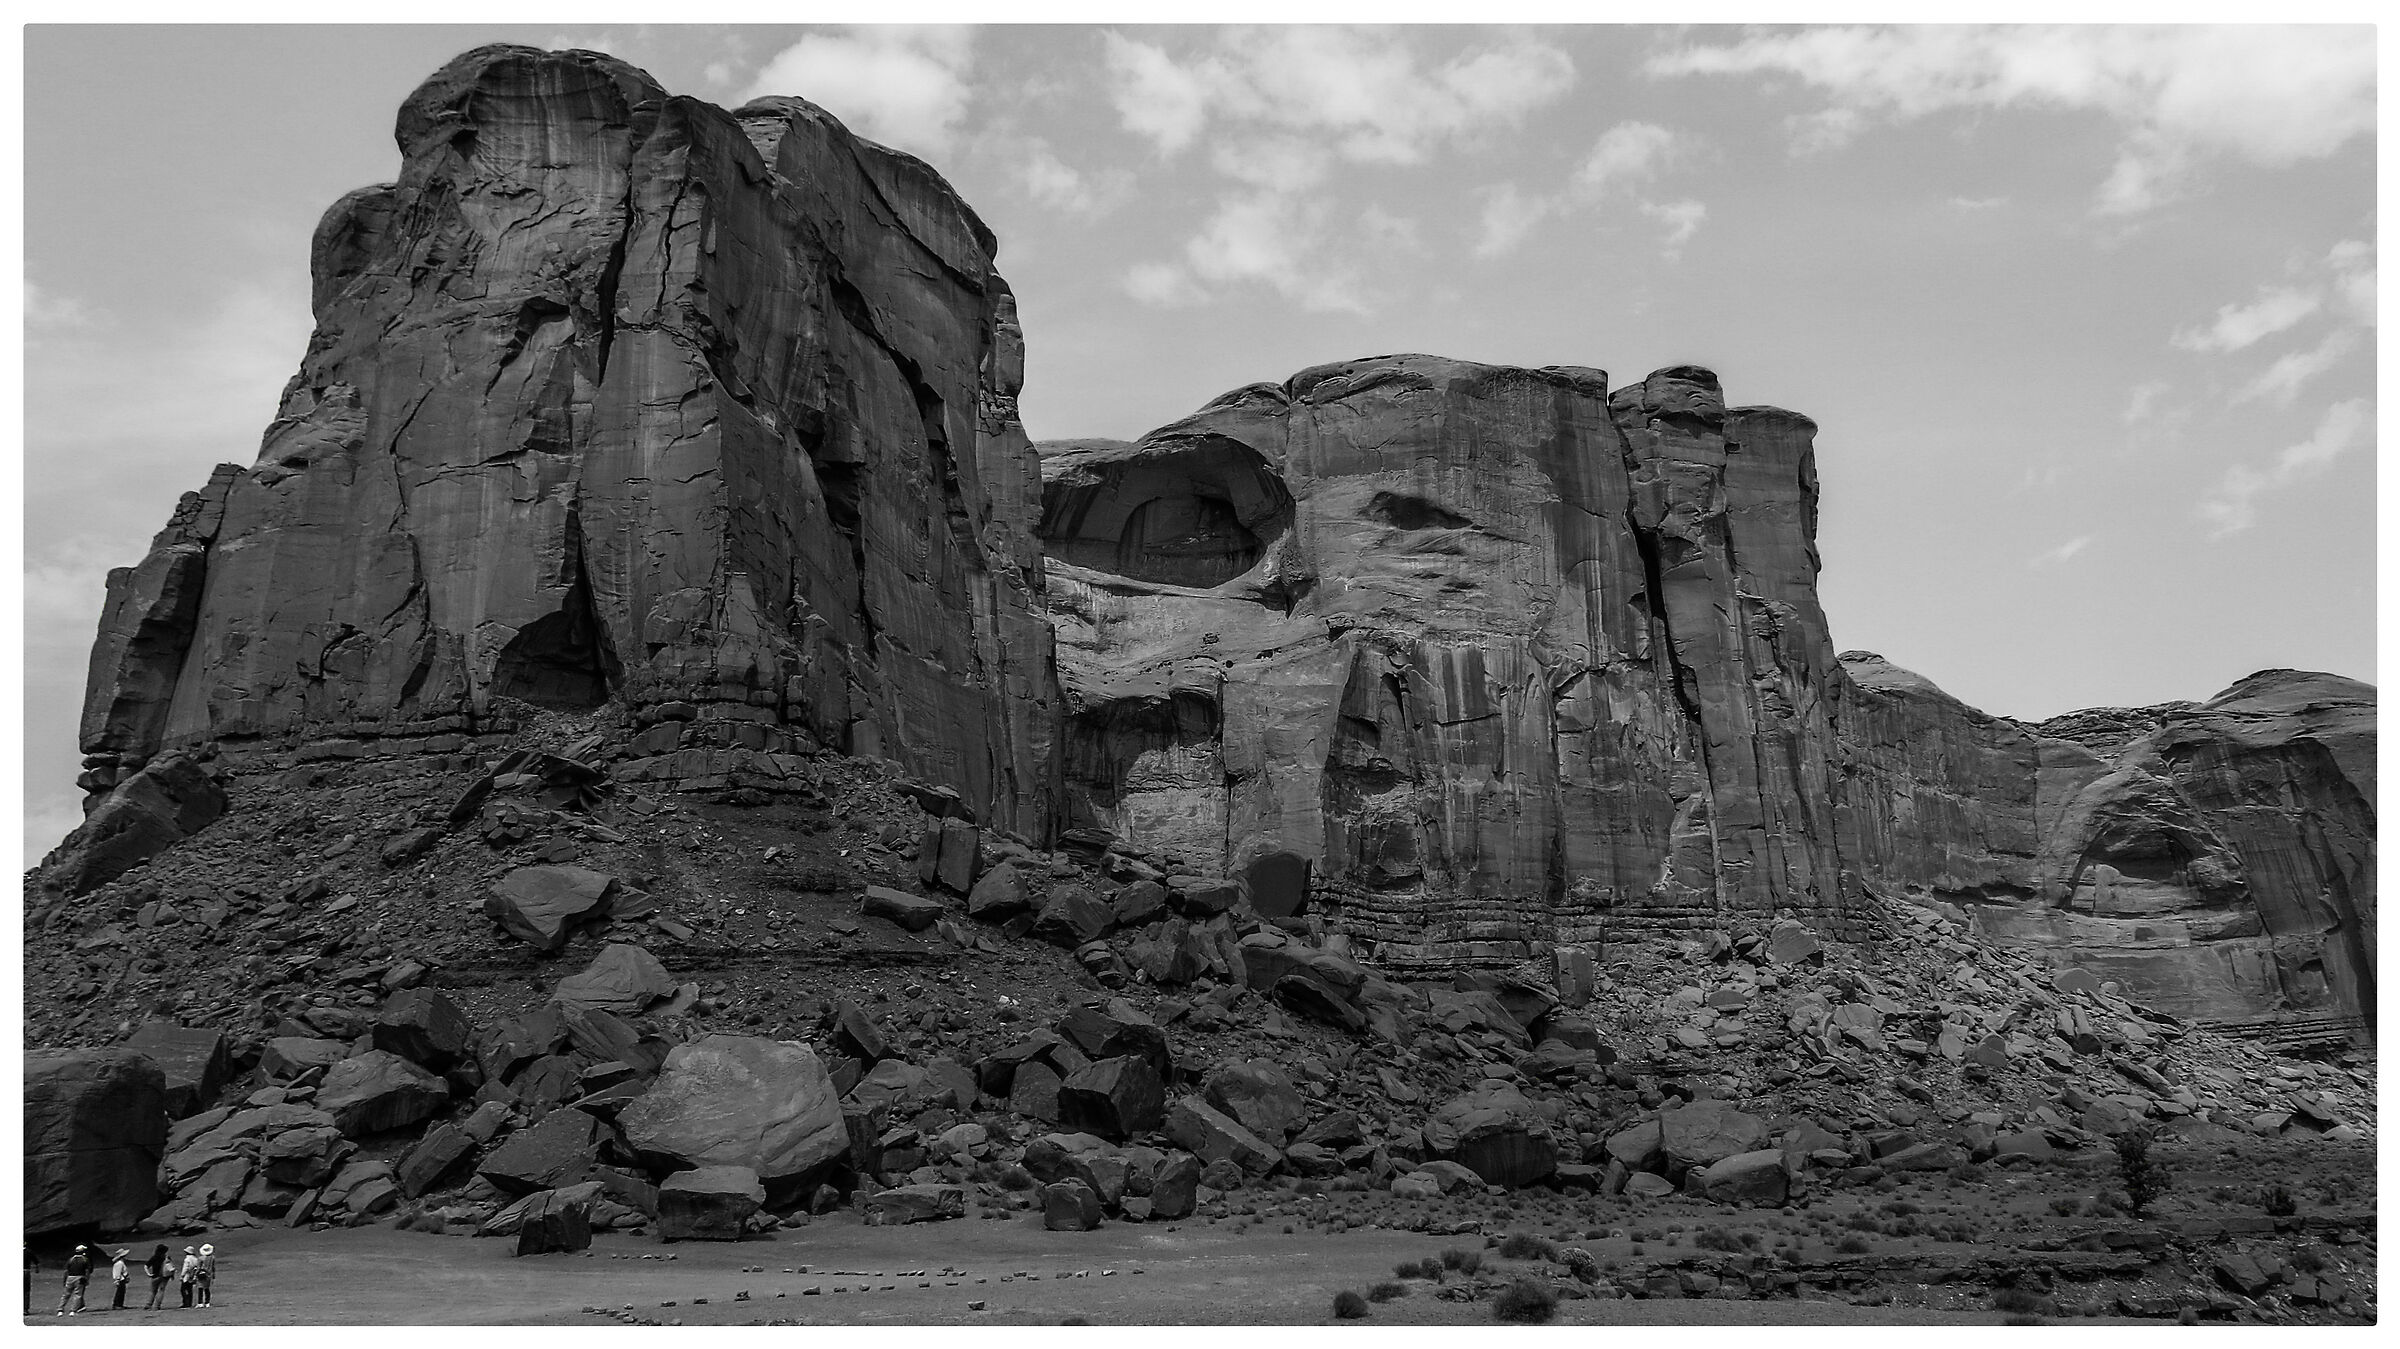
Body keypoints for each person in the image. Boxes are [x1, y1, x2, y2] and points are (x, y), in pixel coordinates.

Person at [56, 1245, 90, 1316]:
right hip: (80, 1277)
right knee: (77, 1295)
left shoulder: (70, 1259)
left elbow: (66, 1271)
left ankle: (60, 1310)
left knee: (66, 1294)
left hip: (70, 1278)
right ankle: (73, 1310)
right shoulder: (85, 1259)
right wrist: (87, 1279)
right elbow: (87, 1271)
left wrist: (65, 1280)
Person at [143, 1245, 172, 1310]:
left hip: (155, 1276)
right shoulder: (167, 1258)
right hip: (164, 1276)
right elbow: (170, 1267)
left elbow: (146, 1266)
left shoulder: (154, 1257)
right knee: (161, 1291)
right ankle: (157, 1306)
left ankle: (148, 1304)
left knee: (152, 1291)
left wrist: (148, 1273)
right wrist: (171, 1275)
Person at [194, 1244, 215, 1309]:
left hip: (202, 1274)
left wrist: (195, 1274)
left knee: (200, 1288)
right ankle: (207, 1302)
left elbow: (198, 1267)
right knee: (207, 1289)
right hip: (209, 1274)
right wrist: (213, 1275)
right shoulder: (212, 1258)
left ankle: (200, 1303)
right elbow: (213, 1267)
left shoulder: (200, 1258)